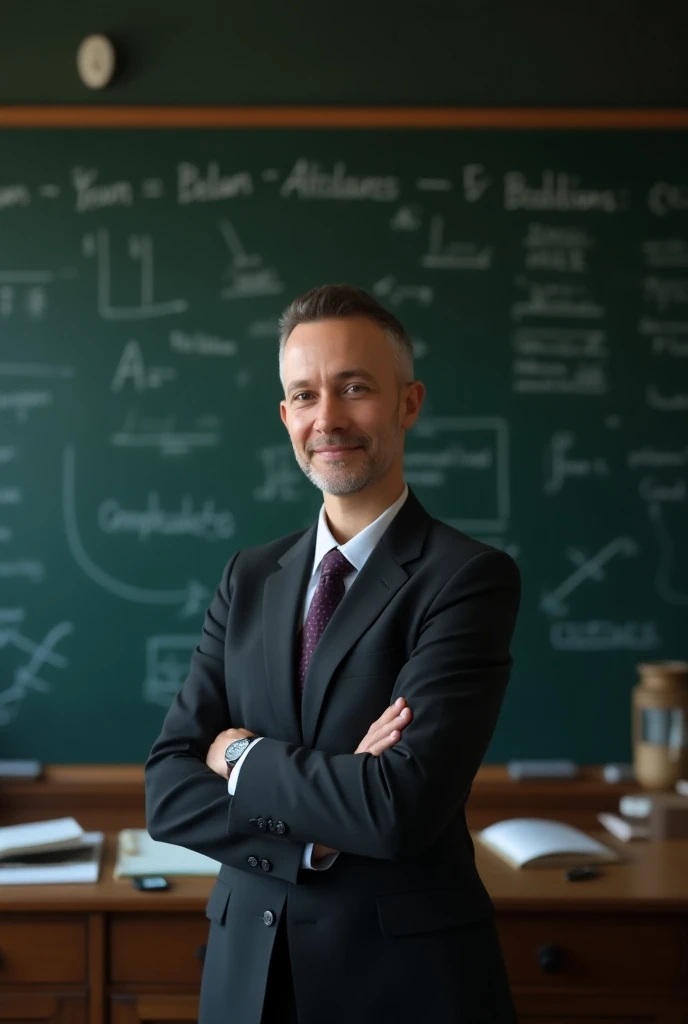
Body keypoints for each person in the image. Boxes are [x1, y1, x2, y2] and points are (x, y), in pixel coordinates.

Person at [145, 283, 521, 1024]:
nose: (328, 419)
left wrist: (244, 758)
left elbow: (397, 809)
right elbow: (167, 788)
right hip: (243, 983)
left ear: (408, 403)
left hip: (401, 986)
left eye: (354, 389)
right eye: (305, 395)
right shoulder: (248, 577)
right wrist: (316, 836)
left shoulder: (466, 579)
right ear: (286, 416)